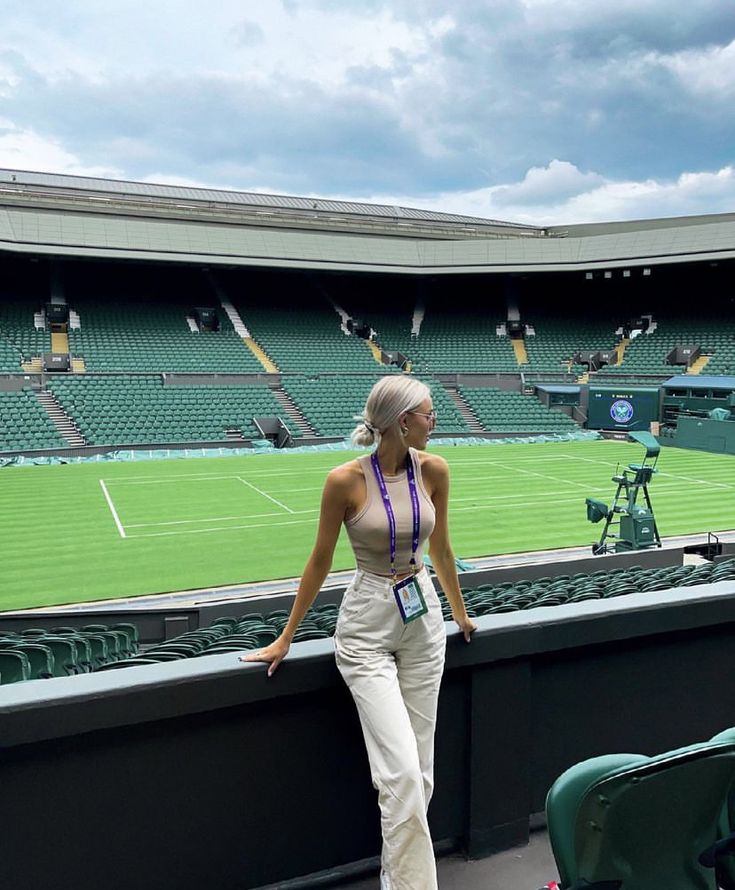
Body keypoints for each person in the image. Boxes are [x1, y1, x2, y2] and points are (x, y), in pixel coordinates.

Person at [243, 375, 477, 889]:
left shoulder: (434, 469)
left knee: (421, 775)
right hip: (367, 623)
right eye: (428, 414)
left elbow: (441, 550)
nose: (434, 422)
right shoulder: (345, 481)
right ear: (402, 421)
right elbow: (320, 561)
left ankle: (399, 881)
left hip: (423, 619)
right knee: (400, 776)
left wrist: (458, 612)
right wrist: (286, 636)